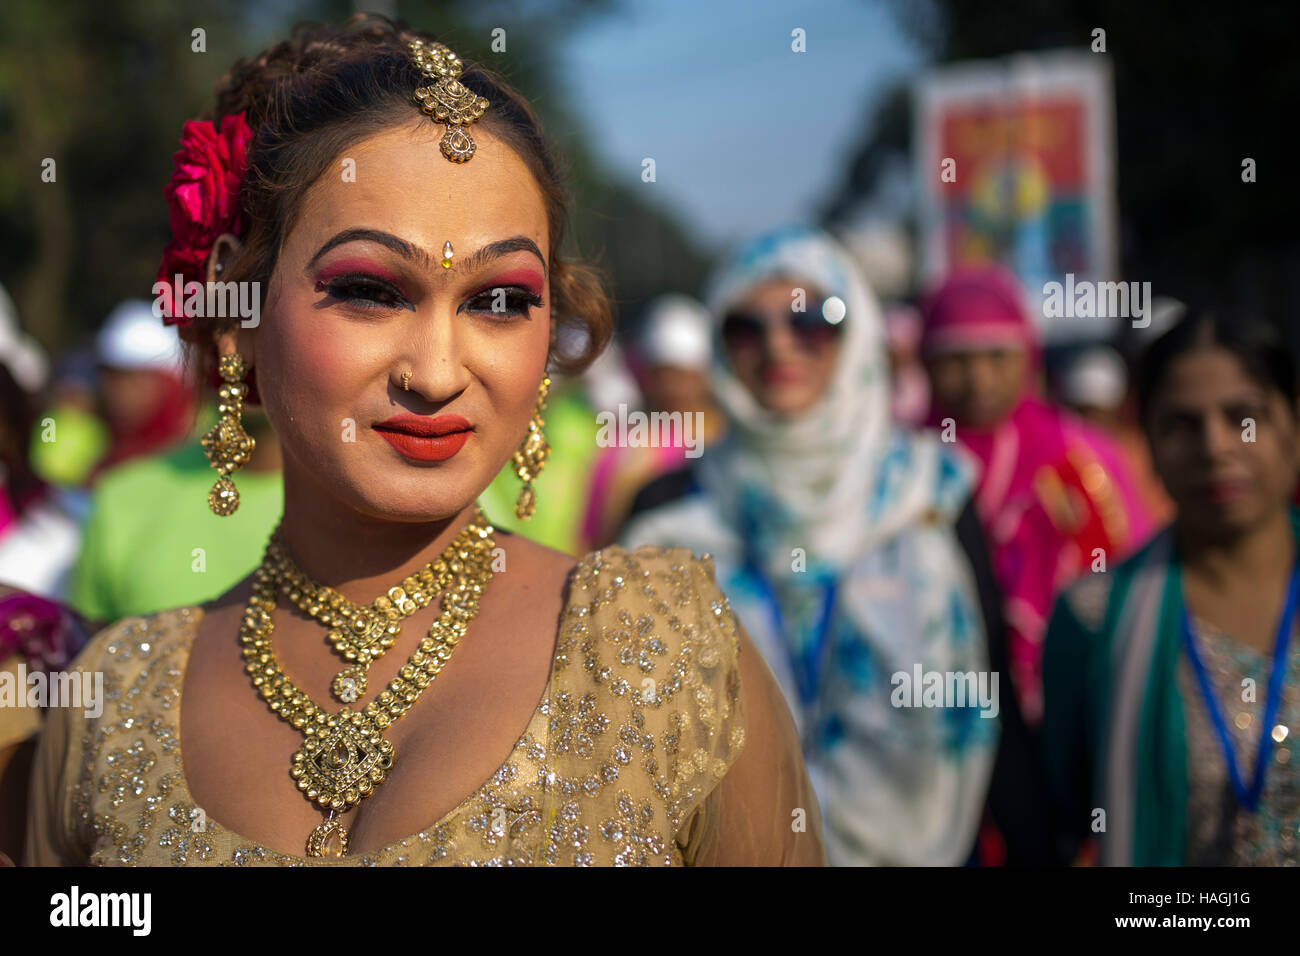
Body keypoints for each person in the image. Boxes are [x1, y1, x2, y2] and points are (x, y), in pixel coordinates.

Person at [23, 15, 823, 867]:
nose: (437, 373)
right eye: (370, 289)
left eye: (500, 301)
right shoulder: (113, 701)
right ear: (237, 314)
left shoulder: (667, 648)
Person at [621, 226, 1005, 866]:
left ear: (855, 337)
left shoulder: (930, 493)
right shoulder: (671, 512)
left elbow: (998, 707)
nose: (778, 346)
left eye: (811, 320)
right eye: (746, 326)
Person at [1043, 309, 1300, 865]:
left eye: (1243, 417)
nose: (1215, 447)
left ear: (1293, 428)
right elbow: (1062, 817)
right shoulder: (1093, 618)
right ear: (1149, 444)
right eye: (1182, 425)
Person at [920, 266, 1155, 725]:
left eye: (997, 357)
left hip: (1075, 705)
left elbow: (1135, 579)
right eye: (956, 360)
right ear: (926, 364)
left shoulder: (1082, 459)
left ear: (1028, 356)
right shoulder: (903, 471)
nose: (978, 381)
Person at [581, 293, 725, 550]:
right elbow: (597, 534)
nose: (674, 388)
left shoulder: (726, 439)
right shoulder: (624, 446)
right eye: (663, 375)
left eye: (683, 376)